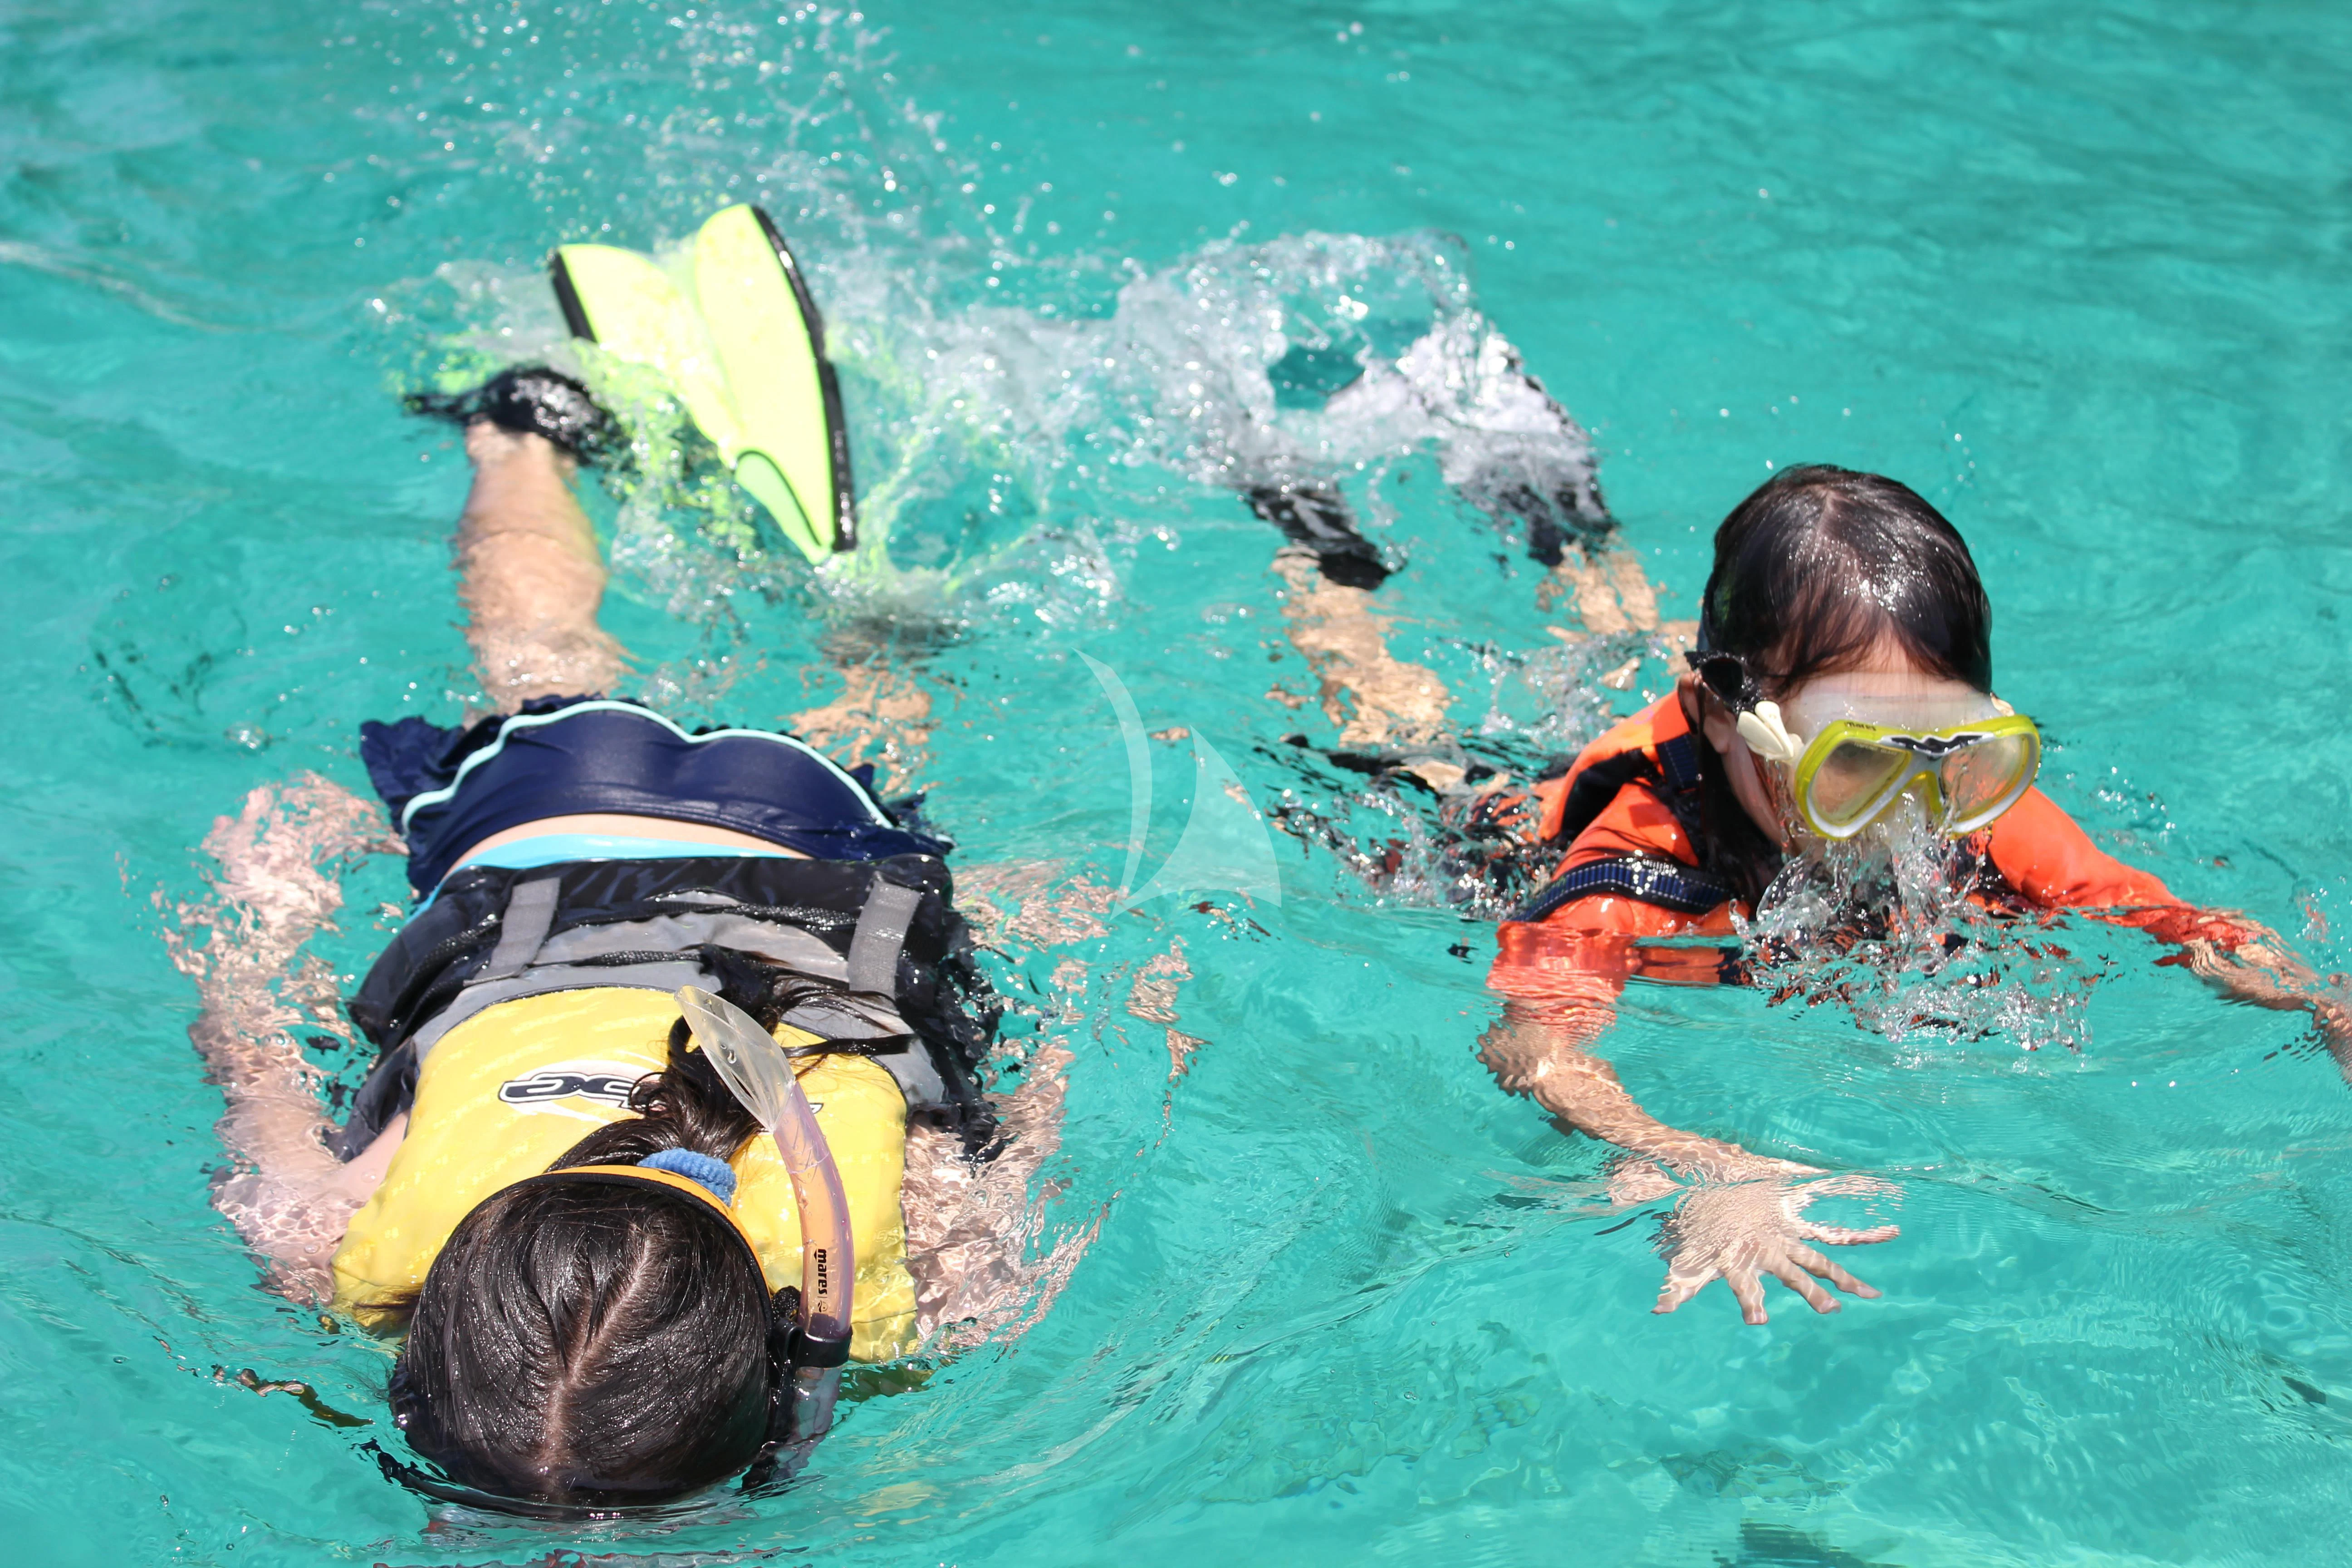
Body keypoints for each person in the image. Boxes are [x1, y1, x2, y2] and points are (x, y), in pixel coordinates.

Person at [176, 350, 1081, 1514]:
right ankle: (524, 432)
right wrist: (264, 917)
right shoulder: (321, 1250)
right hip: (558, 826)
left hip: (820, 850)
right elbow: (251, 1063)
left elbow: (1028, 1115)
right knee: (534, 656)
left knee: (882, 731)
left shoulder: (928, 1300)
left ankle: (882, 648)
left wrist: (1061, 984)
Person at [1475, 465, 2352, 1325]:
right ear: (1723, 721)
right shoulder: (1636, 867)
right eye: (1854, 760)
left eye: (1952, 751)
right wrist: (1706, 1168)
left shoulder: (1957, 806)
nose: (1908, 811)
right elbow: (1535, 1046)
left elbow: (2177, 924)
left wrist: (2321, 1000)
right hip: (1498, 801)